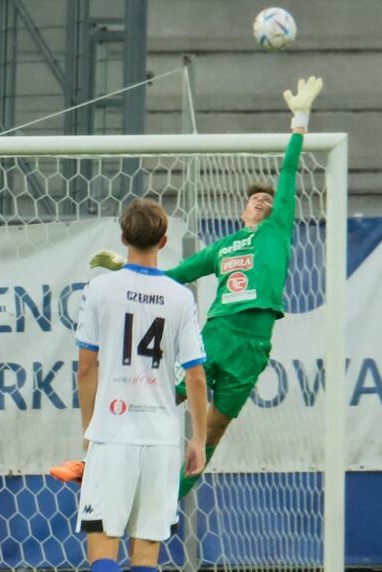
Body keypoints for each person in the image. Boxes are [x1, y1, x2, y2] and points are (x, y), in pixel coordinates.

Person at [52, 76, 324, 498]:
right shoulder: (224, 247)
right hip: (216, 334)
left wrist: (299, 121)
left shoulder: (277, 232)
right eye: (255, 199)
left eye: (268, 201)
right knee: (157, 397)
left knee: (213, 433)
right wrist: (126, 265)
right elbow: (172, 276)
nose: (263, 201)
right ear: (241, 209)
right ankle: (93, 462)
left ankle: (169, 502)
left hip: (254, 346)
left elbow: (288, 173)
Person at [73, 199, 208, 572]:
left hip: (114, 430)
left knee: (101, 546)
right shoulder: (179, 296)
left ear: (123, 237)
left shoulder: (100, 288)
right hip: (161, 437)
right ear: (165, 241)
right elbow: (195, 375)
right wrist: (198, 438)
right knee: (146, 551)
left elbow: (86, 366)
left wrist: (90, 429)